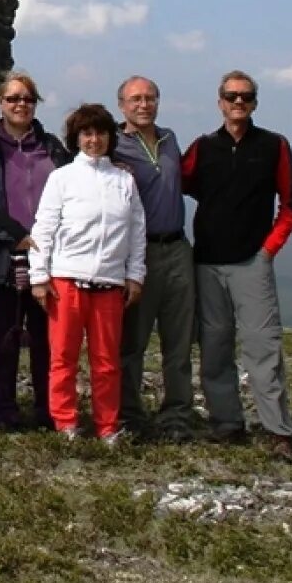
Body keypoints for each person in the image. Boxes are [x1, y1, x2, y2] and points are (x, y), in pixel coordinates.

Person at [182, 71, 292, 461]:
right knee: (214, 347)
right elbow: (176, 182)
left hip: (252, 262)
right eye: (231, 96)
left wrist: (268, 250)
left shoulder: (274, 145)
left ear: (254, 103)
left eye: (245, 97)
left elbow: (290, 204)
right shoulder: (202, 147)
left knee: (262, 348)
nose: (238, 102)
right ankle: (227, 423)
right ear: (219, 101)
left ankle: (278, 430)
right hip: (207, 263)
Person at [28, 103, 146, 444]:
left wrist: (135, 275)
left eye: (100, 133)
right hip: (66, 282)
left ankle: (107, 426)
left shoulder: (124, 181)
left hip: (109, 285)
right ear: (76, 138)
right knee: (63, 358)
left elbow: (137, 232)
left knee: (106, 362)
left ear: (110, 137)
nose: (94, 139)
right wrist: (39, 277)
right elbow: (44, 227)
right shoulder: (62, 177)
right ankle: (65, 423)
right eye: (87, 133)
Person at [0, 70, 70, 433]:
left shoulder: (53, 147)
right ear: (0, 103)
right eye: (13, 98)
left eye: (27, 99)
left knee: (47, 337)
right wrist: (14, 235)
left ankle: (48, 409)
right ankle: (3, 410)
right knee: (6, 335)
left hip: (49, 257)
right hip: (3, 255)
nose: (20, 105)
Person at [112, 76, 196, 443]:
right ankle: (129, 414)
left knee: (178, 339)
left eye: (149, 98)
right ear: (121, 105)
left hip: (178, 248)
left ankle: (177, 413)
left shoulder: (170, 139)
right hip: (138, 252)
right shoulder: (111, 145)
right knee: (133, 340)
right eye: (135, 99)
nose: (143, 105)